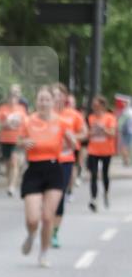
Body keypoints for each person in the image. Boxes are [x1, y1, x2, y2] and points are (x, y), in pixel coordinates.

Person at [18, 86, 76, 267]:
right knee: (32, 219)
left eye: (47, 99)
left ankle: (43, 253)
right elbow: (19, 141)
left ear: (53, 102)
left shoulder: (61, 122)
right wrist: (24, 143)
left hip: (54, 170)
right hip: (34, 169)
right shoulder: (28, 121)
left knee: (47, 217)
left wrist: (71, 139)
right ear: (36, 102)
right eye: (40, 99)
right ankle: (31, 234)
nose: (43, 103)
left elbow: (73, 144)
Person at [51, 83, 86, 248]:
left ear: (64, 97)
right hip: (45, 161)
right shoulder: (43, 115)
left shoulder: (73, 115)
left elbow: (84, 133)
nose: (56, 97)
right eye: (53, 94)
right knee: (46, 198)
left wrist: (72, 136)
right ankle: (46, 224)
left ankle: (55, 232)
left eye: (59, 95)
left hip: (65, 159)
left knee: (58, 197)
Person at [86, 95, 117, 211]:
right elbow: (86, 133)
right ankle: (93, 199)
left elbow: (112, 133)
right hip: (93, 150)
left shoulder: (110, 118)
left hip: (106, 150)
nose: (95, 107)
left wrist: (103, 129)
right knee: (93, 175)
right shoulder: (90, 118)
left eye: (97, 105)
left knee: (105, 174)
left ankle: (106, 193)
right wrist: (91, 132)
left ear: (103, 106)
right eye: (94, 106)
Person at [0, 84, 25, 196]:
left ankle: (12, 186)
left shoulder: (21, 109)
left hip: (17, 139)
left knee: (14, 162)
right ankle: (9, 184)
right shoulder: (2, 109)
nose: (13, 98)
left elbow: (26, 123)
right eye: (12, 95)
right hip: (5, 139)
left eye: (16, 95)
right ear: (8, 97)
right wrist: (5, 124)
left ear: (18, 97)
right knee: (8, 164)